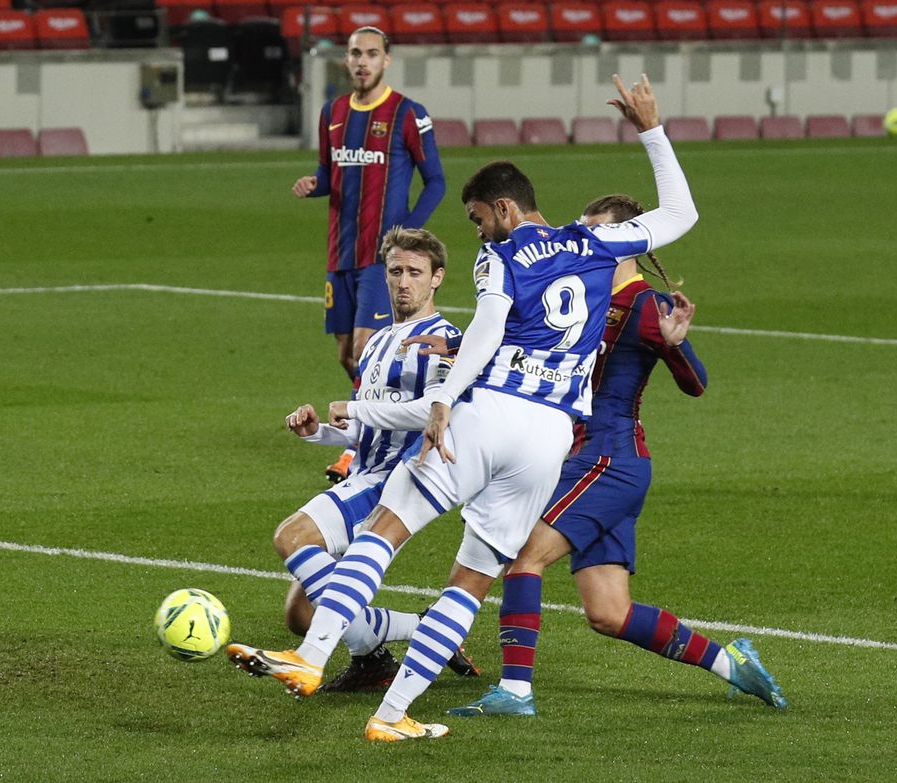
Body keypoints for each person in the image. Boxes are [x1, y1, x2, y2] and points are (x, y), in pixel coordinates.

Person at [229, 74, 700, 741]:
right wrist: (651, 128)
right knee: (471, 579)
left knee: (386, 529)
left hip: (493, 410)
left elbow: (484, 330)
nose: (478, 230)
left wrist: (447, 397)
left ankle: (310, 658)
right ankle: (392, 716)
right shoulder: (597, 244)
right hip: (548, 439)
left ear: (503, 210)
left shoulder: (502, 254)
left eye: (478, 218)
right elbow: (682, 215)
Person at [400, 195, 786, 716]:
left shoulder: (643, 304)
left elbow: (697, 383)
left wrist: (674, 344)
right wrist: (460, 351)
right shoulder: (584, 293)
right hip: (590, 460)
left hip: (607, 459)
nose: (582, 240)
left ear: (629, 241)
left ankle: (515, 691)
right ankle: (733, 664)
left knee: (521, 554)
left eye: (595, 231)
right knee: (609, 612)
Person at [273, 226, 477, 692]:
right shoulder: (379, 342)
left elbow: (434, 413)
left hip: (394, 483)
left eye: (415, 272)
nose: (404, 282)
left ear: (437, 278)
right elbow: (365, 427)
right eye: (395, 271)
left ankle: (376, 655)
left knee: (290, 536)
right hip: (362, 472)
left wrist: (356, 407)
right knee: (301, 615)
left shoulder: (447, 344)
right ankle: (418, 633)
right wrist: (320, 432)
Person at [293, 26, 447, 483]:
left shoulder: (406, 113)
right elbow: (328, 171)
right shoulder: (333, 112)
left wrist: (410, 234)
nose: (362, 61)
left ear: (387, 60)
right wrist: (313, 185)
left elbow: (435, 179)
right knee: (347, 354)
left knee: (365, 351)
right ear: (346, 59)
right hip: (340, 251)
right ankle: (380, 429)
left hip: (380, 259)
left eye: (371, 54)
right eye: (355, 53)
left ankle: (357, 449)